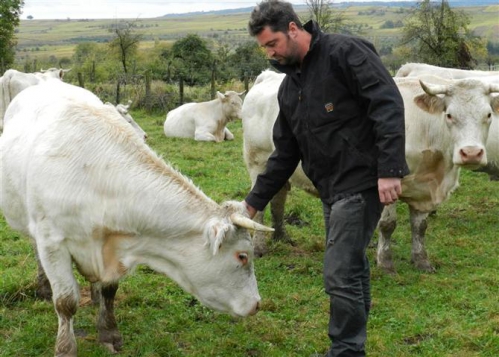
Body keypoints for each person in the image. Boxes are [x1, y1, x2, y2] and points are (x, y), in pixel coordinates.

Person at [242, 1, 410, 356]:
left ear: (292, 28)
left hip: (363, 183)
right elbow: (284, 153)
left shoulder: (345, 53)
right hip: (330, 190)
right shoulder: (290, 89)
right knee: (351, 266)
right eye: (264, 48)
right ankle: (353, 345)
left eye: (272, 43)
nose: (269, 52)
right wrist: (251, 205)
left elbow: (388, 104)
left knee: (337, 273)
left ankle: (346, 350)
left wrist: (390, 169)